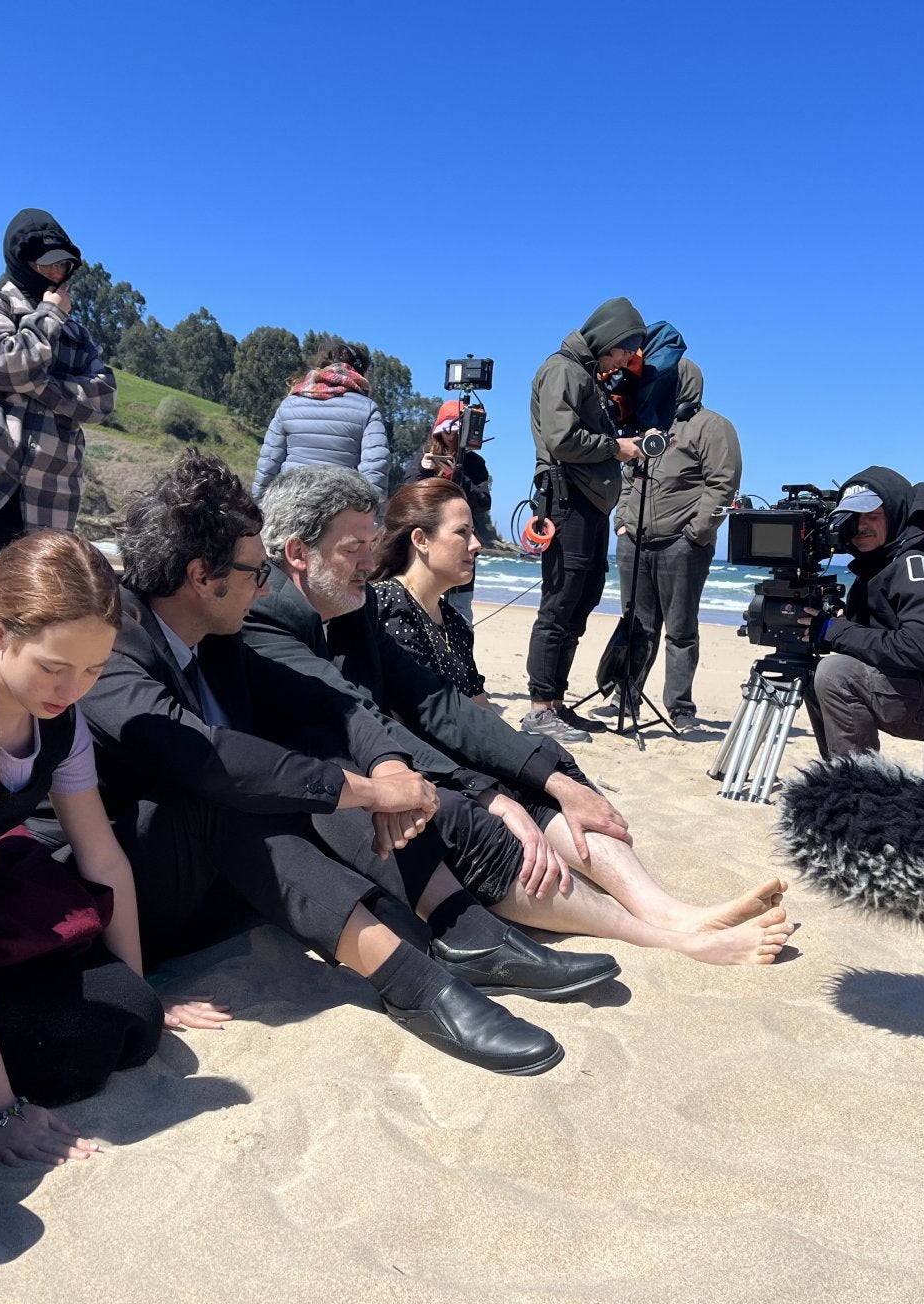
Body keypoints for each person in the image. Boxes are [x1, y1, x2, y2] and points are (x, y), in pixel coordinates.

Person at [74, 451, 608, 1075]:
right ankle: (416, 983)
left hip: (219, 887)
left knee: (311, 738)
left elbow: (333, 701)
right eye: (254, 571)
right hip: (122, 899)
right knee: (231, 793)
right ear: (201, 576)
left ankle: (463, 933)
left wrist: (385, 768)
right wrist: (359, 792)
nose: (266, 586)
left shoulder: (213, 636)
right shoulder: (110, 645)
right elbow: (203, 758)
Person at [249, 467, 795, 967]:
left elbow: (444, 705)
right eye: (355, 550)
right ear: (298, 552)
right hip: (330, 798)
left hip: (394, 767)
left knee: (549, 781)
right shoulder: (283, 619)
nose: (370, 564)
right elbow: (369, 718)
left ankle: (671, 913)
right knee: (470, 817)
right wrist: (487, 792)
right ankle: (666, 937)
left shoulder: (354, 607)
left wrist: (551, 778)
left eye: (372, 546)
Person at [0, 532, 226, 1162]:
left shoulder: (60, 719)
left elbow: (103, 858)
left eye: (94, 669)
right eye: (54, 667)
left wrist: (144, 993)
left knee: (132, 1016)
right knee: (74, 1043)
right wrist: (0, 1110)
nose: (72, 688)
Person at [0, 208, 117, 576]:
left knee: (39, 602)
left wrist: (35, 385)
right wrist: (49, 316)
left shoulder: (77, 333)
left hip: (54, 485)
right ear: (20, 260)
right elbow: (11, 364)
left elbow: (103, 398)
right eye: (46, 266)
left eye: (63, 266)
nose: (57, 274)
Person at [802, 467, 924, 759]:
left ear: (894, 514)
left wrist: (835, 631)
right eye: (853, 519)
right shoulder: (880, 562)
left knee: (836, 673)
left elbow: (919, 649)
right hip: (914, 687)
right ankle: (838, 777)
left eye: (872, 516)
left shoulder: (921, 565)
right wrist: (837, 627)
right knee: (813, 673)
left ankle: (860, 787)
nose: (861, 526)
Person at [524, 297, 649, 743]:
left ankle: (555, 703)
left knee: (580, 601)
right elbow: (561, 439)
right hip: (568, 499)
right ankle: (540, 710)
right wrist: (619, 447)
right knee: (560, 604)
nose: (621, 362)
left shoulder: (584, 373)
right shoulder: (563, 369)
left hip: (589, 502)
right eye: (621, 351)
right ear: (605, 337)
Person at [612, 357, 741, 726]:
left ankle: (680, 707)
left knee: (681, 630)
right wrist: (621, 521)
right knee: (636, 627)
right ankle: (627, 698)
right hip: (633, 543)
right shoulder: (647, 425)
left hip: (682, 545)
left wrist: (695, 534)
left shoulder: (713, 427)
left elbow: (722, 484)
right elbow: (627, 476)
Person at [250, 340, 391, 499]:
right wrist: (373, 516)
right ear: (359, 372)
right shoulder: (368, 409)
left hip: (288, 504)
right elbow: (375, 468)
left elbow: (268, 463)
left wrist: (258, 507)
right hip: (339, 509)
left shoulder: (289, 405)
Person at [413, 399, 493, 622]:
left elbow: (483, 502)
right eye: (444, 430)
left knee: (460, 614)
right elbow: (405, 499)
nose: (449, 436)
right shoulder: (424, 458)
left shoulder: (474, 464)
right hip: (425, 548)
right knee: (419, 611)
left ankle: (460, 656)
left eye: (455, 430)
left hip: (460, 550)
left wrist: (457, 476)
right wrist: (423, 471)